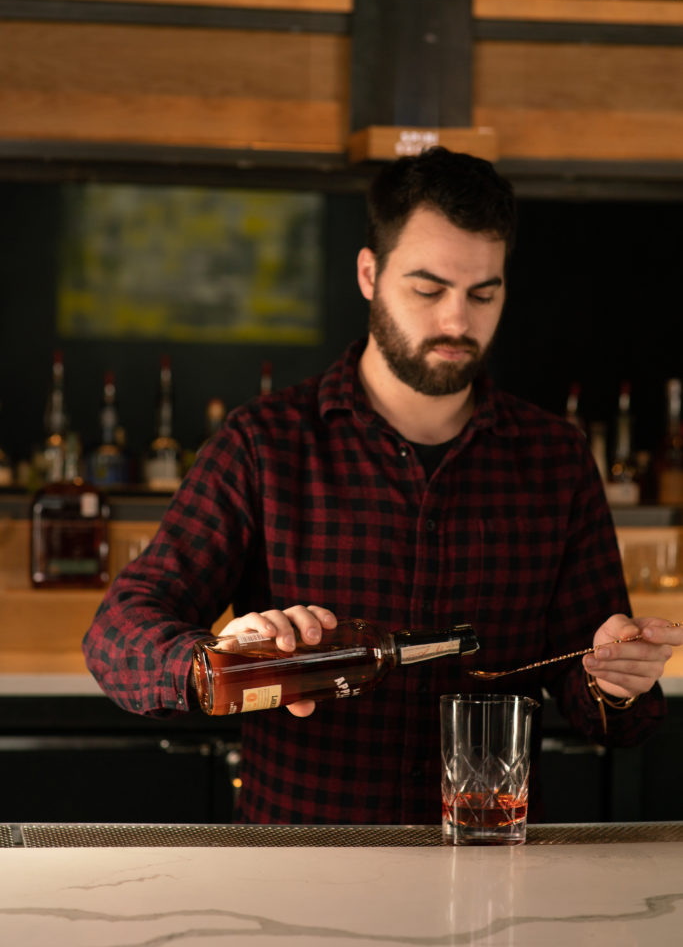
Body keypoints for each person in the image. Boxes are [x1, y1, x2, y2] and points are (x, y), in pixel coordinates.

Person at [82, 148, 681, 824]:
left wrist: (616, 681)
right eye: (427, 290)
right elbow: (116, 633)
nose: (457, 321)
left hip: (489, 863)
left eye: (483, 293)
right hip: (305, 872)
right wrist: (213, 661)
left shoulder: (555, 459)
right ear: (369, 273)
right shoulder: (264, 444)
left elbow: (604, 708)